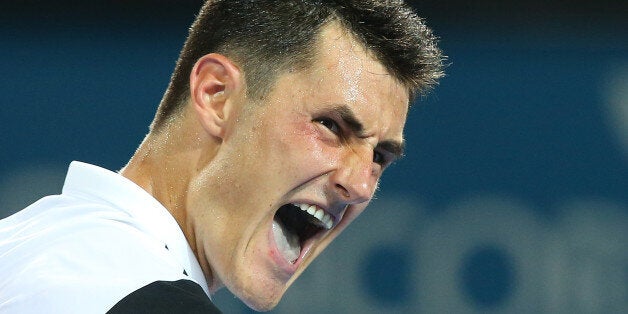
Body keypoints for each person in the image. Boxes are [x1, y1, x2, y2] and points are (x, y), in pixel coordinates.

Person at [0, 0, 444, 312]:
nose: (361, 185)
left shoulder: (30, 245)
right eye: (331, 126)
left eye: (379, 158)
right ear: (216, 96)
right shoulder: (134, 295)